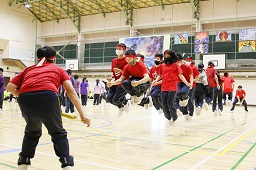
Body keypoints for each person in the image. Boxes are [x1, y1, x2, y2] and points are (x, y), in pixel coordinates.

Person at [6, 46, 90, 170]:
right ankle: (66, 164)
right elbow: (71, 91)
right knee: (57, 132)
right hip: (48, 97)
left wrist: (26, 94)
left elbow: (10, 88)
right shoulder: (59, 69)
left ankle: (23, 163)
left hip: (25, 99)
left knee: (32, 132)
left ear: (38, 58)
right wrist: (83, 115)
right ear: (54, 59)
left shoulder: (28, 69)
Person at [154, 50, 190, 126]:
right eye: (165, 55)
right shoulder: (162, 65)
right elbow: (160, 75)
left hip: (173, 87)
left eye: (168, 55)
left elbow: (180, 75)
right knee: (164, 104)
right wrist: (156, 81)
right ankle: (168, 117)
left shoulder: (176, 65)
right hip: (164, 87)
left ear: (171, 55)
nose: (166, 57)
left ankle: (174, 117)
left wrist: (186, 82)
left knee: (170, 103)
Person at [107, 43, 130, 116]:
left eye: (119, 49)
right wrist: (111, 77)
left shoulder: (127, 60)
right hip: (115, 82)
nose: (117, 50)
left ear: (124, 50)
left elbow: (129, 74)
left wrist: (120, 71)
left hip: (123, 82)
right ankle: (121, 106)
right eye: (117, 49)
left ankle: (125, 102)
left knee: (115, 99)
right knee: (109, 99)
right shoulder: (113, 61)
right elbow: (114, 73)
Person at [176, 53, 194, 122]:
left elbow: (191, 76)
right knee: (178, 95)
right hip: (179, 83)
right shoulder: (176, 66)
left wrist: (191, 83)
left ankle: (190, 114)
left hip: (188, 83)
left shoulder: (188, 67)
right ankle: (185, 114)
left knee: (187, 98)